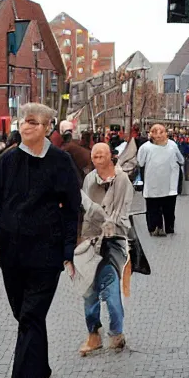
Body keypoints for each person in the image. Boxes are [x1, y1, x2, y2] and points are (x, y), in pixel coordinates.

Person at [0, 103, 81, 378]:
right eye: (25, 121)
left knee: (29, 317)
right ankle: (41, 367)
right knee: (26, 315)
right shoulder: (6, 160)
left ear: (48, 127)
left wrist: (68, 250)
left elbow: (72, 208)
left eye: (35, 123)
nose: (27, 127)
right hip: (10, 253)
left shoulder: (60, 162)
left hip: (46, 253)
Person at [75, 143, 133, 356]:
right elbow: (84, 208)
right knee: (89, 289)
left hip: (113, 239)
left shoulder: (122, 180)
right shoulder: (89, 179)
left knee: (110, 287)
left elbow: (123, 211)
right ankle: (94, 335)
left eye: (102, 154)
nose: (98, 157)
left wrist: (108, 223)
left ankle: (116, 333)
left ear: (111, 156)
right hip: (90, 239)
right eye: (95, 154)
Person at [137, 124, 184, 236]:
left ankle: (169, 228)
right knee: (153, 209)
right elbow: (140, 162)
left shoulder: (172, 145)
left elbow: (181, 159)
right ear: (151, 134)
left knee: (169, 210)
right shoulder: (145, 147)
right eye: (155, 132)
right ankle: (154, 228)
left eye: (161, 131)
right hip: (153, 184)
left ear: (166, 133)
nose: (158, 134)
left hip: (169, 185)